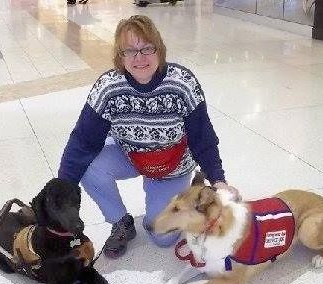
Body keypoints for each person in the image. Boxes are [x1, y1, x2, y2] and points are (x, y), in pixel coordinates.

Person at [58, 15, 240, 259]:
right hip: (129, 154)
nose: (139, 58)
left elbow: (203, 137)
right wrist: (63, 189)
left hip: (172, 165)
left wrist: (218, 179)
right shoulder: (108, 87)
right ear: (120, 56)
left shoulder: (182, 83)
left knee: (163, 237)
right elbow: (82, 141)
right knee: (89, 164)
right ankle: (121, 222)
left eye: (146, 48)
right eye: (130, 51)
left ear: (159, 49)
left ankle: (195, 181)